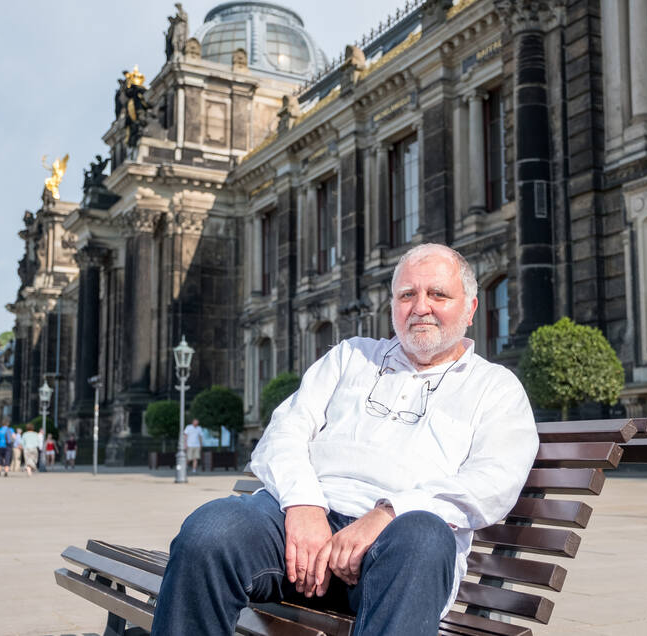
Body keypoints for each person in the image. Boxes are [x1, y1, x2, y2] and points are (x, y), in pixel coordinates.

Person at [152, 244, 538, 635]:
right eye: (407, 295)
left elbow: (492, 483)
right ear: (392, 306)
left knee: (424, 537)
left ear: (470, 308)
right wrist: (304, 506)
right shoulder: (351, 357)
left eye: (438, 294)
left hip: (395, 547)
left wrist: (387, 514)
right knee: (211, 530)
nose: (420, 306)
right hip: (298, 529)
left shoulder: (496, 388)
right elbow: (285, 430)